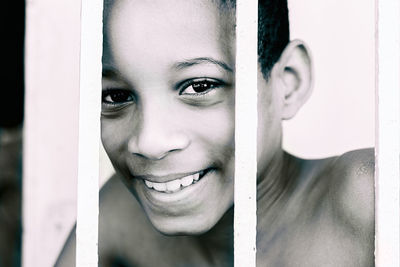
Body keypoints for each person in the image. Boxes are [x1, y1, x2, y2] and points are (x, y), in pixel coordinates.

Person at [56, 0, 374, 266]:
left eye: (200, 86)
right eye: (116, 96)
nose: (149, 142)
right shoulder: (118, 219)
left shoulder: (367, 199)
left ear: (288, 83)